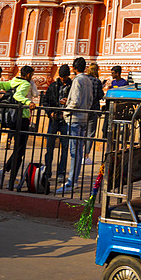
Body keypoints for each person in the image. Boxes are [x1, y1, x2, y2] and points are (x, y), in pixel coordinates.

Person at [0, 65, 36, 189]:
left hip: (12, 118)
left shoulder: (13, 81)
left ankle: (10, 176)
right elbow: (18, 96)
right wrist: (29, 102)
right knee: (20, 150)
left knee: (19, 149)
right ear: (28, 75)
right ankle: (9, 176)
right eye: (31, 75)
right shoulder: (26, 84)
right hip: (22, 118)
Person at [56, 56, 92, 195]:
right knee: (78, 151)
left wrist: (66, 110)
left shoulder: (78, 80)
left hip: (75, 118)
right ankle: (74, 180)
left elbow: (75, 101)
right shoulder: (88, 80)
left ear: (74, 68)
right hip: (84, 117)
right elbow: (89, 100)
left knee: (73, 151)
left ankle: (71, 181)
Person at [42, 64, 71, 181]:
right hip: (54, 120)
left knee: (64, 148)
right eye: (61, 76)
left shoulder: (72, 86)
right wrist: (50, 112)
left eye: (64, 77)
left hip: (65, 120)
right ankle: (48, 171)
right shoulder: (53, 86)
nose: (62, 79)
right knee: (49, 147)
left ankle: (61, 172)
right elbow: (45, 101)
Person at [84, 62, 104, 164]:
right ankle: (86, 156)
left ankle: (80, 154)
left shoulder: (83, 80)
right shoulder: (97, 81)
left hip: (83, 109)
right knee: (90, 134)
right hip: (93, 109)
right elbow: (99, 95)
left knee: (82, 132)